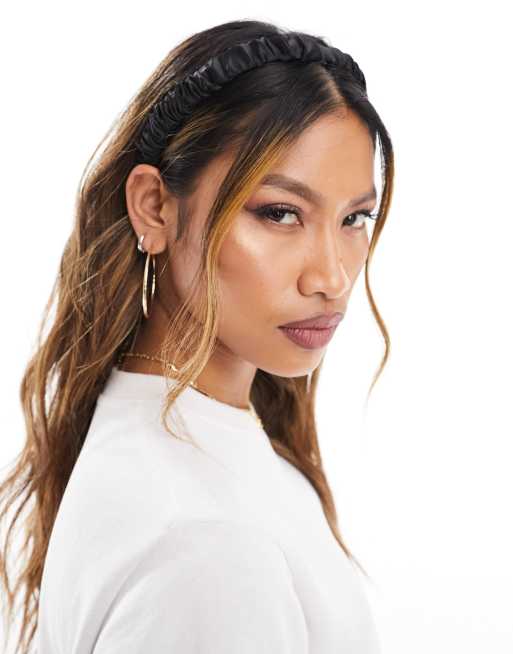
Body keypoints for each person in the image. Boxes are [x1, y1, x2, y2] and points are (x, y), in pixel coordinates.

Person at [0, 18, 393, 654]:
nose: (332, 276)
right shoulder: (209, 545)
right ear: (154, 207)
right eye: (280, 213)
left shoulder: (163, 442)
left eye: (355, 217)